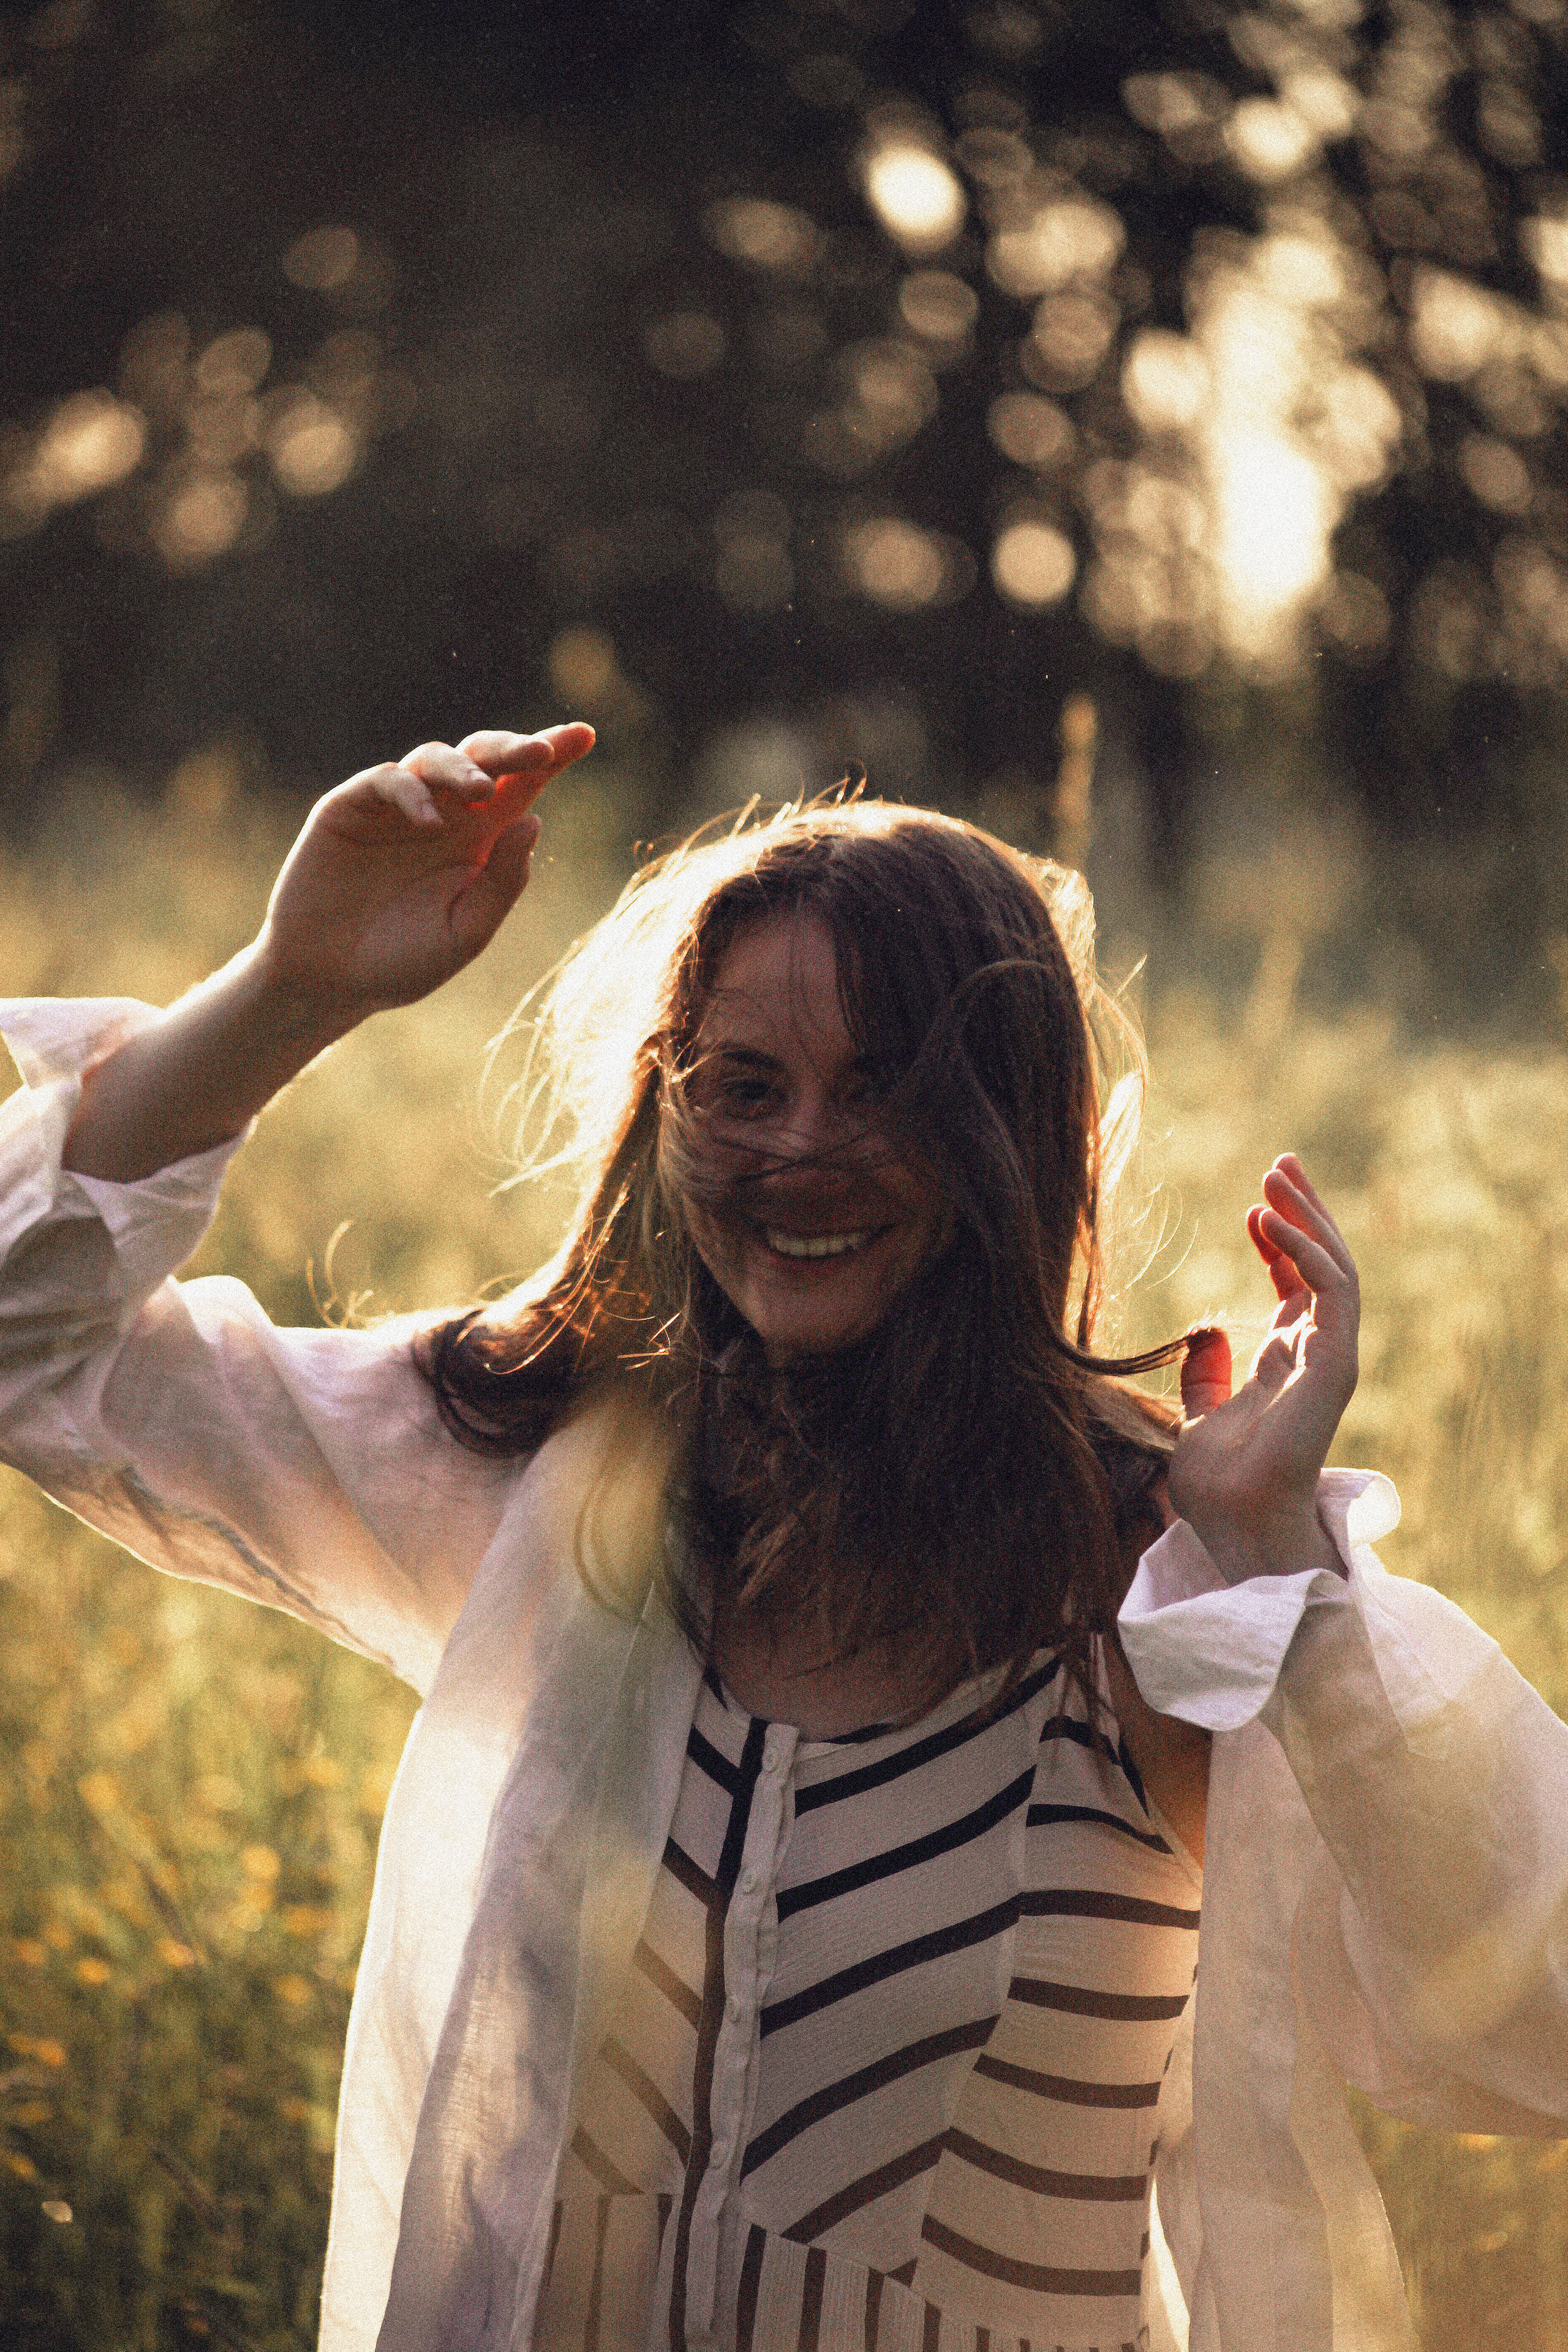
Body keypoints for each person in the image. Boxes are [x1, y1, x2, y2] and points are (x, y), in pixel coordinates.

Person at [1, 725, 1566, 2352]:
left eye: (885, 1087)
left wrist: (1276, 1575)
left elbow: (1529, 2005)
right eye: (744, 1086)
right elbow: (33, 1344)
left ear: (1007, 1132)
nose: (803, 1149)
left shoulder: (1159, 1575)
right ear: (663, 1119)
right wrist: (289, 986)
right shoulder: (551, 1469)